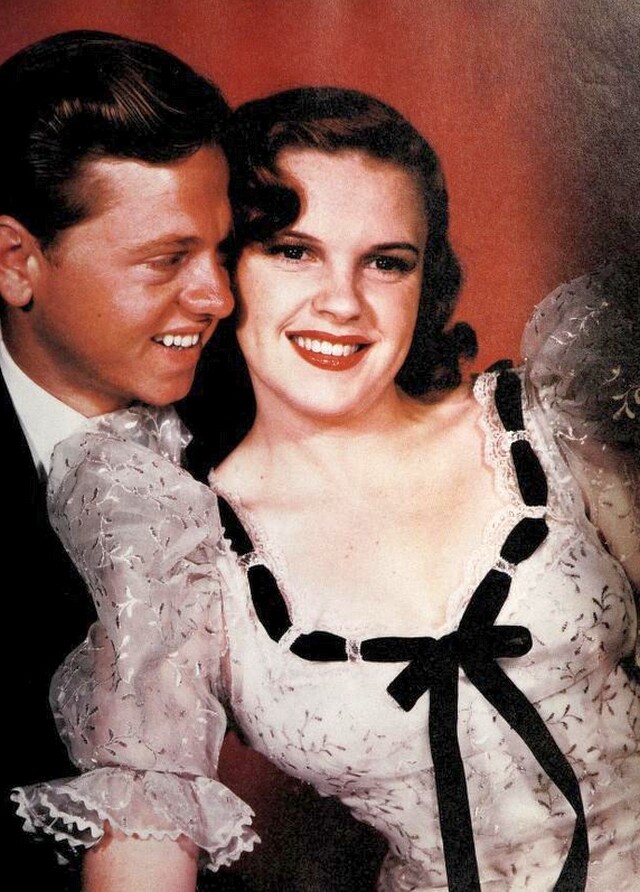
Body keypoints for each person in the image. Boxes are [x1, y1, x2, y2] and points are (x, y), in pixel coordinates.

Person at [15, 88, 639, 891]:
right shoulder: (177, 546)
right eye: (294, 252)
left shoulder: (548, 423)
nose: (342, 302)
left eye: (386, 262)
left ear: (425, 278)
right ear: (224, 271)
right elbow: (143, 845)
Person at [0, 30, 234, 889]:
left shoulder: (256, 406)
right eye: (168, 260)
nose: (218, 297)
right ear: (16, 263)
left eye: (220, 251)